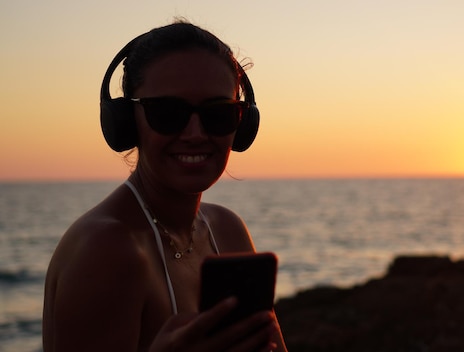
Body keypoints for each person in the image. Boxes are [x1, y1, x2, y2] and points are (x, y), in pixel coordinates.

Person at [42, 21, 288, 352]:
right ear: (127, 121)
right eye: (169, 113)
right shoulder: (106, 249)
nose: (195, 133)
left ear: (243, 124)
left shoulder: (227, 230)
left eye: (218, 114)